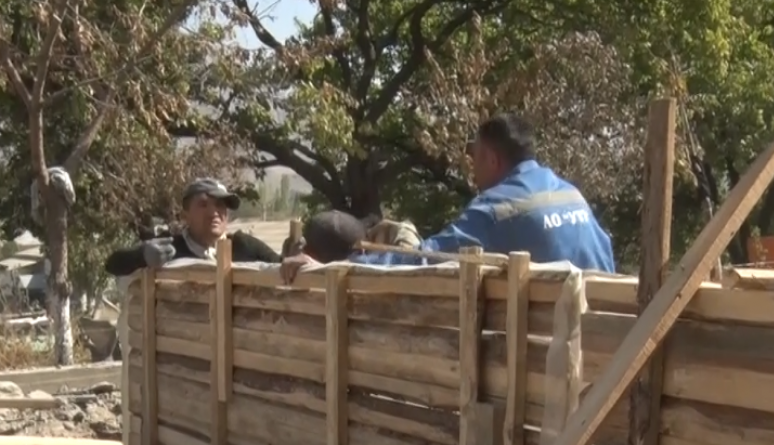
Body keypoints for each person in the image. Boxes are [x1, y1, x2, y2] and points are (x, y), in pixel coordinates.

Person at [280, 114, 616, 281]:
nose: (472, 172)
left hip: (551, 360)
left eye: (475, 160)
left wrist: (334, 268)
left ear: (493, 160)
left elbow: (424, 259)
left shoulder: (498, 207)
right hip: (605, 345)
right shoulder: (571, 193)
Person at [104, 178, 281, 276]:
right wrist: (141, 255)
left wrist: (297, 259)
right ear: (185, 216)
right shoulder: (169, 248)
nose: (214, 212)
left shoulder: (246, 247)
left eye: (220, 205)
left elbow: (283, 266)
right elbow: (113, 264)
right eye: (203, 205)